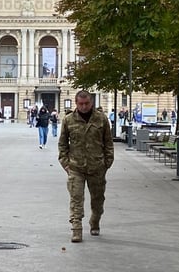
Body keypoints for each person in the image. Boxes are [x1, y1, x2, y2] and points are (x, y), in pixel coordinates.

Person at [58, 90, 114, 243]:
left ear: (91, 103)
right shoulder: (68, 120)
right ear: (76, 103)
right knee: (76, 199)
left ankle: (95, 221)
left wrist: (107, 163)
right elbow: (62, 144)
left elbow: (108, 143)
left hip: (97, 167)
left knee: (98, 200)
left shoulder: (101, 119)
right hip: (76, 167)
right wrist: (65, 164)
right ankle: (76, 229)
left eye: (86, 103)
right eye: (80, 104)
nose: (83, 107)